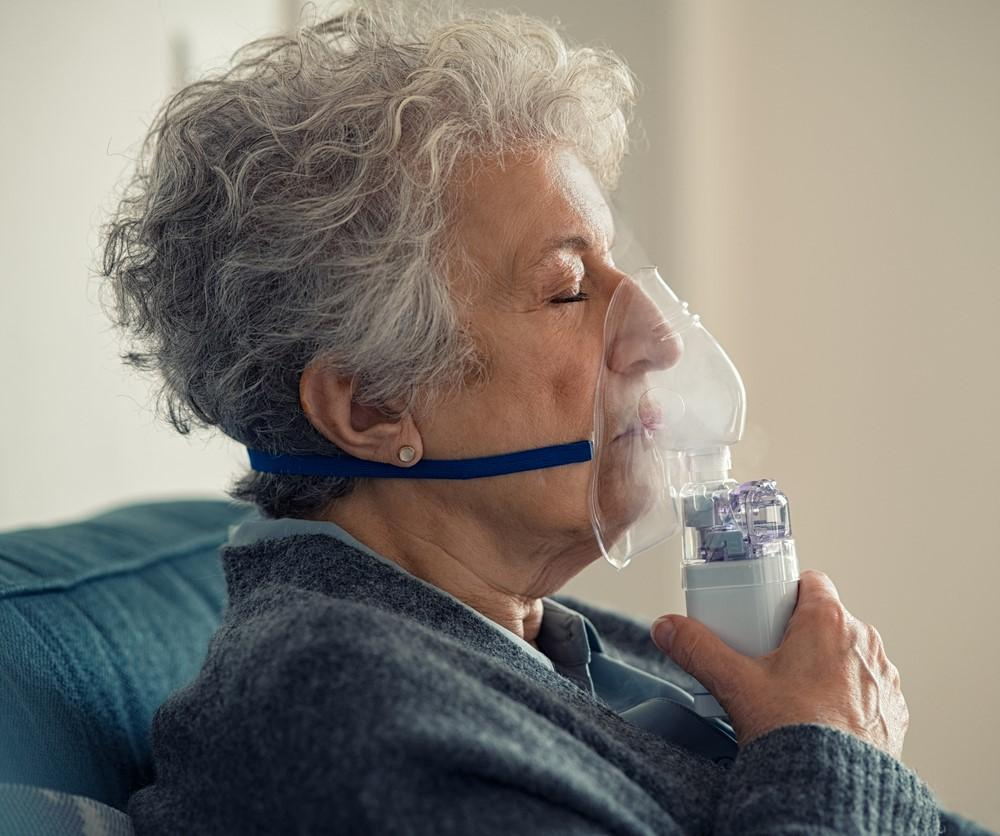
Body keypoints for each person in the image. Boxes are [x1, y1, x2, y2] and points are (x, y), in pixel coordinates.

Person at [100, 2, 988, 833]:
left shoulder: (571, 648)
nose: (660, 341)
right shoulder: (336, 715)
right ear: (369, 405)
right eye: (567, 288)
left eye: (613, 267)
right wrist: (833, 754)